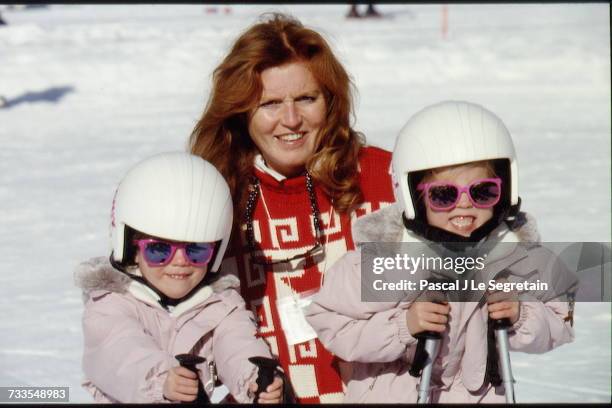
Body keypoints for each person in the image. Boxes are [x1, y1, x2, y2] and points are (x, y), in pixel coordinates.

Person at [305, 101, 576, 403]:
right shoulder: (385, 262)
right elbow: (331, 321)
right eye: (443, 195)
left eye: (482, 191)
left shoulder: (513, 256)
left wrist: (521, 315)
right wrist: (402, 327)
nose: (464, 204)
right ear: (414, 197)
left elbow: (560, 317)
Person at [189, 13, 395, 403]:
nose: (291, 120)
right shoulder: (214, 199)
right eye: (269, 103)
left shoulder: (383, 177)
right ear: (240, 112)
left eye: (306, 98)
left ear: (330, 101)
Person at [74, 152, 284, 403]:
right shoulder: (109, 306)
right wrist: (161, 379)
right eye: (159, 250)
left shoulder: (220, 306)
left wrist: (254, 378)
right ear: (131, 249)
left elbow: (237, 344)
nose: (180, 261)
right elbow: (119, 352)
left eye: (196, 250)